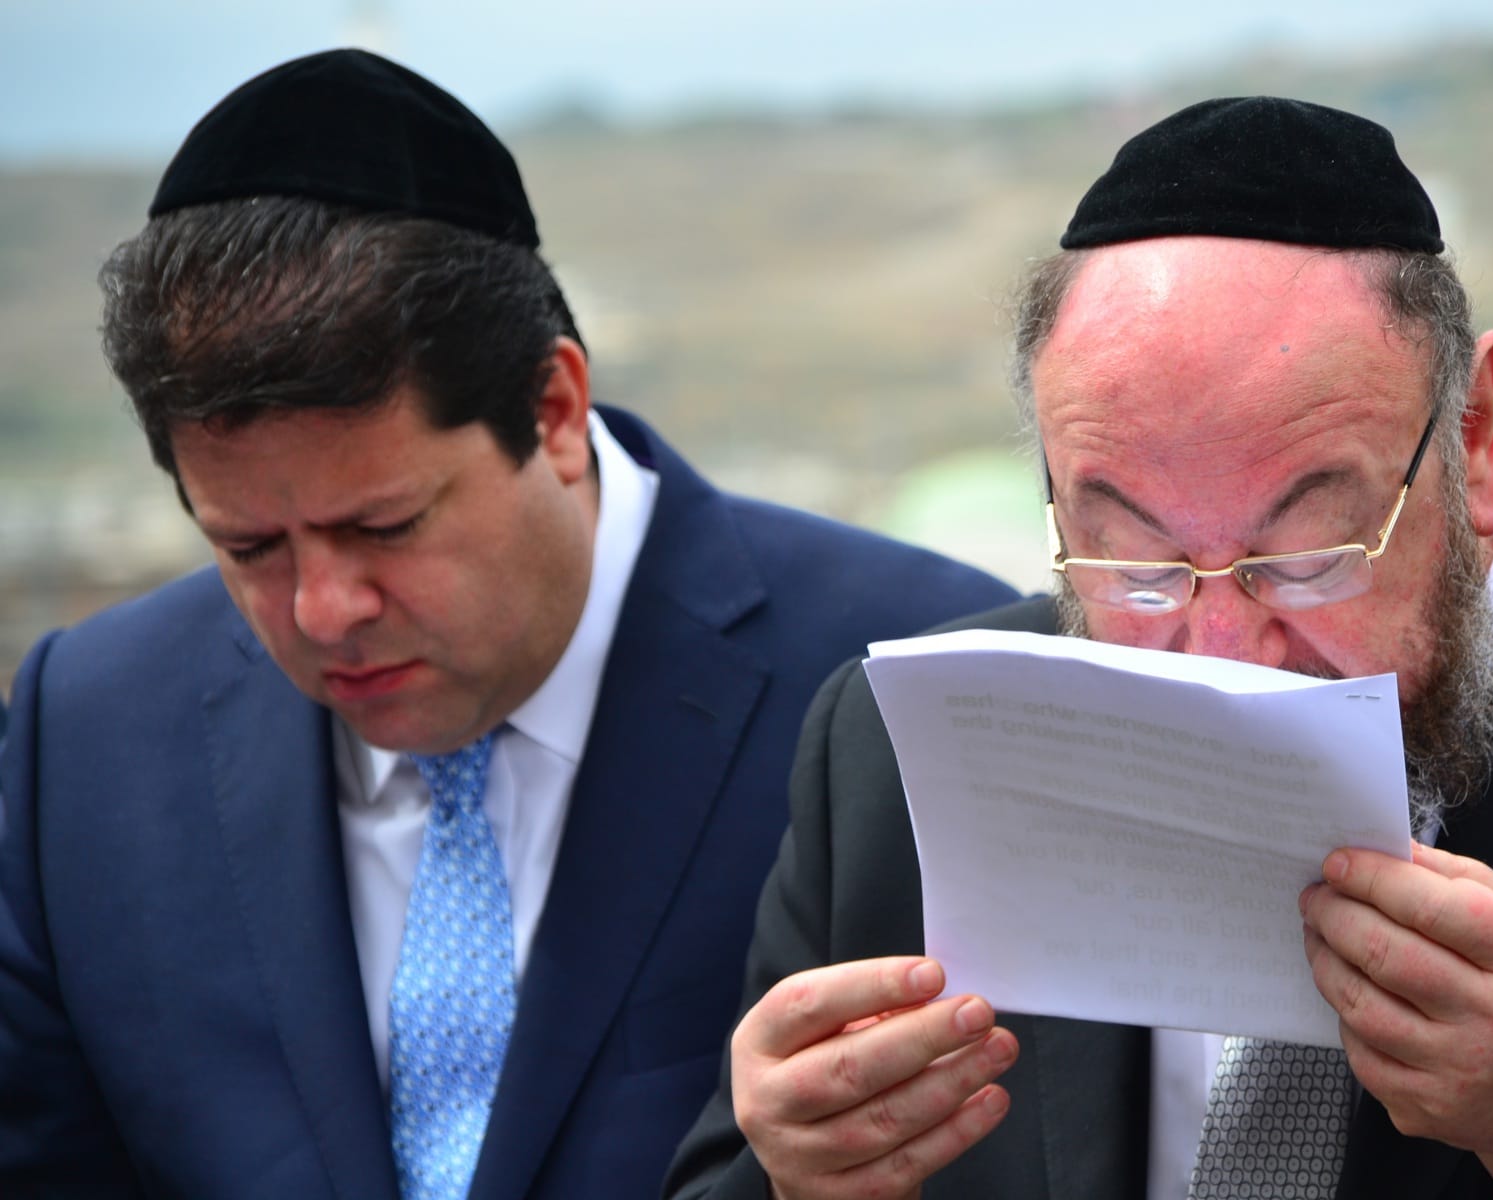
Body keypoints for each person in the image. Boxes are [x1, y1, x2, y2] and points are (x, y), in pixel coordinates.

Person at [664, 97, 1493, 1199]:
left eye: (1305, 556)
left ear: (1474, 440)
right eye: (1137, 561)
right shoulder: (898, 752)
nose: (1219, 657)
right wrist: (794, 1182)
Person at [0, 49, 1017, 1200]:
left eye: (383, 526)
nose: (324, 610)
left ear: (555, 409)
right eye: (248, 548)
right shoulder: (89, 734)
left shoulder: (916, 682)